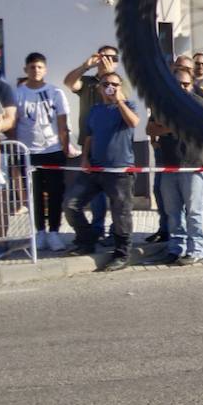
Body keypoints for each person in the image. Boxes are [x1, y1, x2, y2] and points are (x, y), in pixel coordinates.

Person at [63, 70, 139, 271]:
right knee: (71, 204)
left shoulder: (128, 105)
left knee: (121, 214)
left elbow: (133, 122)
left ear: (120, 87)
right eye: (105, 84)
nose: (110, 87)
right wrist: (85, 158)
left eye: (114, 84)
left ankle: (122, 254)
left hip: (120, 171)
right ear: (99, 88)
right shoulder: (95, 110)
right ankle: (87, 240)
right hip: (95, 169)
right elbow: (89, 136)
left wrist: (119, 101)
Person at [147, 66, 203, 265]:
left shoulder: (198, 103)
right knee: (173, 212)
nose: (182, 88)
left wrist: (165, 126)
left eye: (186, 84)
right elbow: (149, 129)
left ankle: (196, 249)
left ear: (192, 85)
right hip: (169, 165)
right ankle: (176, 248)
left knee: (194, 211)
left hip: (193, 165)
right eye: (177, 84)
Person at [14, 53, 71, 251]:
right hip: (28, 152)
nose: (36, 70)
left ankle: (54, 232)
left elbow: (63, 122)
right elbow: (13, 121)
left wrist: (65, 146)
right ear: (26, 70)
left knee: (55, 193)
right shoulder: (18, 93)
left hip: (53, 150)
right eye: (32, 67)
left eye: (39, 67)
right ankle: (39, 232)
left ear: (45, 69)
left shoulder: (56, 92)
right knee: (34, 194)